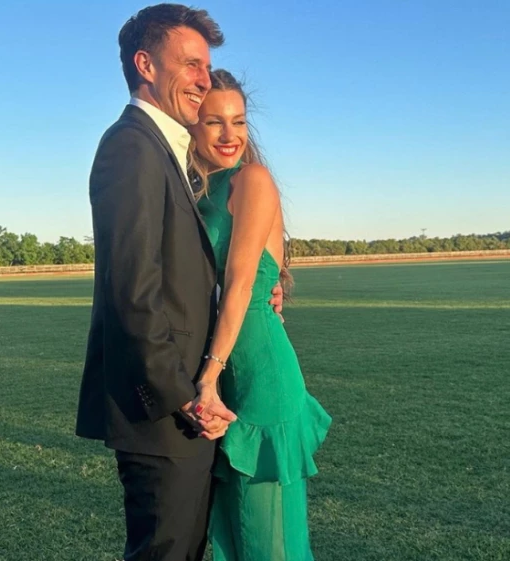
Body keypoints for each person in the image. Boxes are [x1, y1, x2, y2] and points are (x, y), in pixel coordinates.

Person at [74, 5, 283, 561]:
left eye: (206, 66)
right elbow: (133, 292)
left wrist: (268, 285)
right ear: (145, 64)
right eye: (190, 64)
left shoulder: (169, 152)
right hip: (165, 410)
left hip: (185, 405)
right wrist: (185, 397)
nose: (202, 78)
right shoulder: (131, 145)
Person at [188, 69, 332, 561]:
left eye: (239, 121)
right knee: (233, 538)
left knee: (268, 542)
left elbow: (242, 287)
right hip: (227, 374)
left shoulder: (251, 179)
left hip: (259, 380)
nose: (230, 135)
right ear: (192, 124)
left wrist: (208, 378)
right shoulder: (197, 190)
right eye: (214, 122)